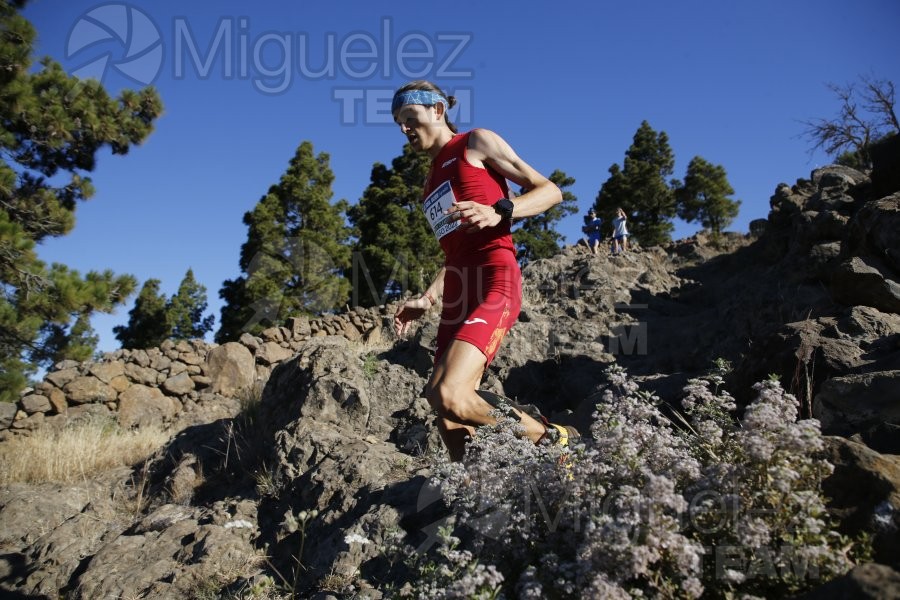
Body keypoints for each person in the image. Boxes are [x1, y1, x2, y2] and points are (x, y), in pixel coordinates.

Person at [390, 80, 576, 461]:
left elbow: (550, 190)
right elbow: (456, 251)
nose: (404, 130)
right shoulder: (429, 185)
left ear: (438, 111)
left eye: (410, 119)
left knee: (449, 394)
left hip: (495, 280)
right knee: (445, 410)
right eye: (398, 124)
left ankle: (552, 439)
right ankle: (476, 494)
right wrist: (428, 298)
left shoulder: (476, 142)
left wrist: (500, 210)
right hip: (458, 292)